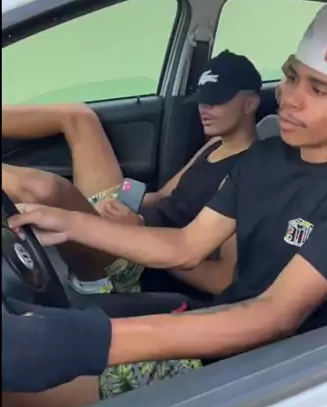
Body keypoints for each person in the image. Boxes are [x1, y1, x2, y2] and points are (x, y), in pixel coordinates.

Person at [7, 4, 327, 407]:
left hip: (282, 371)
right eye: (292, 77)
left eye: (319, 89)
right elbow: (186, 246)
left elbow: (275, 316)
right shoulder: (266, 158)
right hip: (223, 329)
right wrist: (71, 222)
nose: (290, 99)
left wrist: (88, 341)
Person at [3, 50, 261, 298]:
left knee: (45, 189)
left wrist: (139, 231)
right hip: (131, 225)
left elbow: (221, 280)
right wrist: (115, 205)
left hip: (139, 266)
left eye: (216, 101)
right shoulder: (215, 143)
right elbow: (163, 196)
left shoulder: (251, 173)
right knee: (79, 117)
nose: (204, 108)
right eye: (202, 99)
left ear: (250, 103)